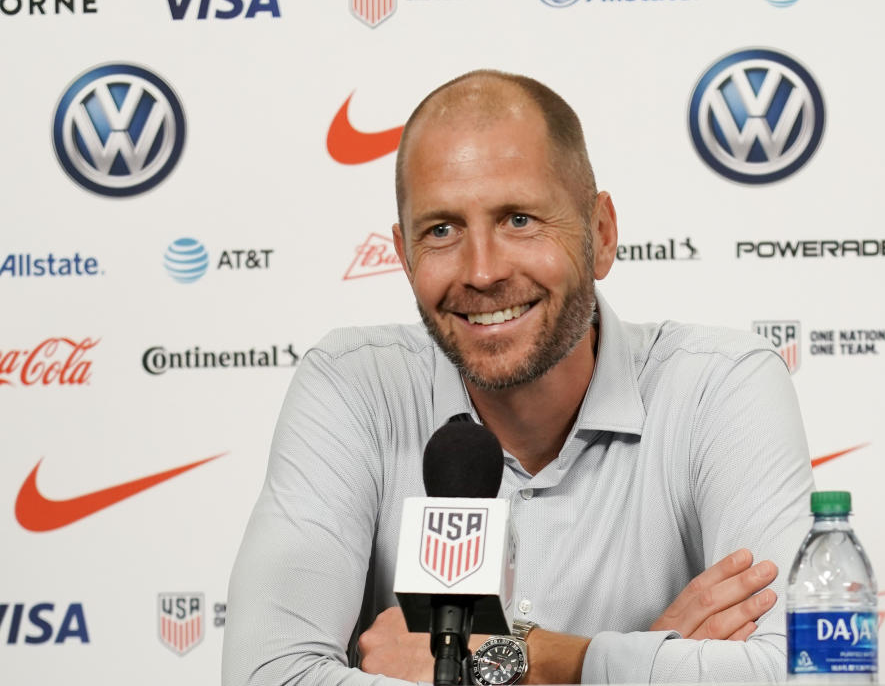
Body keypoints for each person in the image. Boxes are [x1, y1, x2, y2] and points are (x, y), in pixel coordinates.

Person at [223, 70, 814, 685]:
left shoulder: (720, 388)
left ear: (602, 235)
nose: (481, 271)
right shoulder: (352, 389)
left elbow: (805, 676)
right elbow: (270, 676)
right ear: (403, 258)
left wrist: (519, 661)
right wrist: (643, 660)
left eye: (520, 220)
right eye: (442, 230)